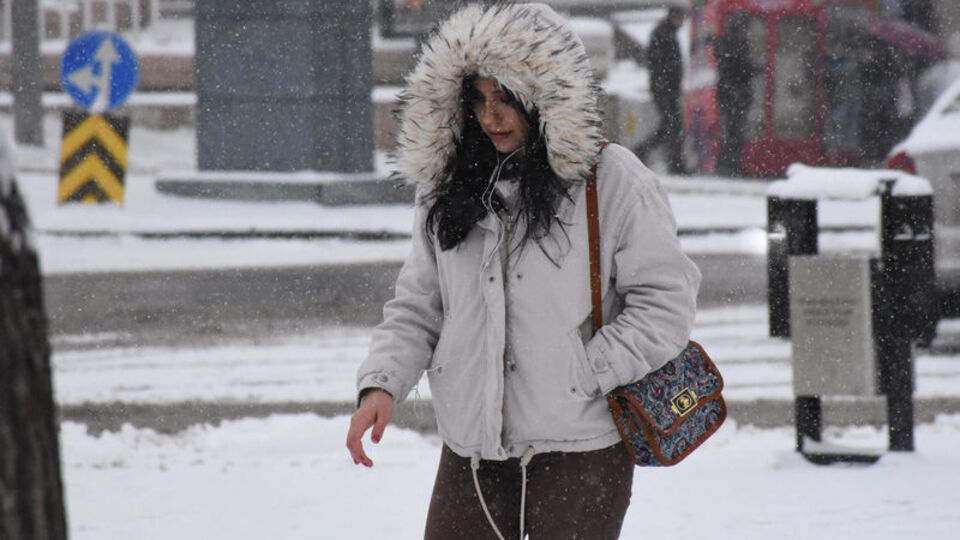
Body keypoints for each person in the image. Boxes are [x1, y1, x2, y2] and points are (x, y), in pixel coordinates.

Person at [346, 4, 701, 539]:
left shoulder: (611, 180)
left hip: (581, 448)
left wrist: (587, 370)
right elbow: (420, 305)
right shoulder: (448, 190)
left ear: (547, 96)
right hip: (472, 449)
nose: (492, 116)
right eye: (480, 99)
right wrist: (382, 384)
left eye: (507, 98)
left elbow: (665, 303)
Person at [634, 6, 687, 174]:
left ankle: (645, 153)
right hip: (664, 90)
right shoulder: (663, 33)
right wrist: (664, 85)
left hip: (667, 89)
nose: (682, 22)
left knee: (671, 126)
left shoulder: (668, 33)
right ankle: (672, 163)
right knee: (671, 125)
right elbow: (658, 63)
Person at [714, 14, 757, 177]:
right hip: (736, 95)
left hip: (729, 95)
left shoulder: (724, 43)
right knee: (735, 132)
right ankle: (731, 166)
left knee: (730, 131)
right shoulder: (737, 44)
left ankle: (727, 165)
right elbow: (739, 69)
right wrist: (753, 69)